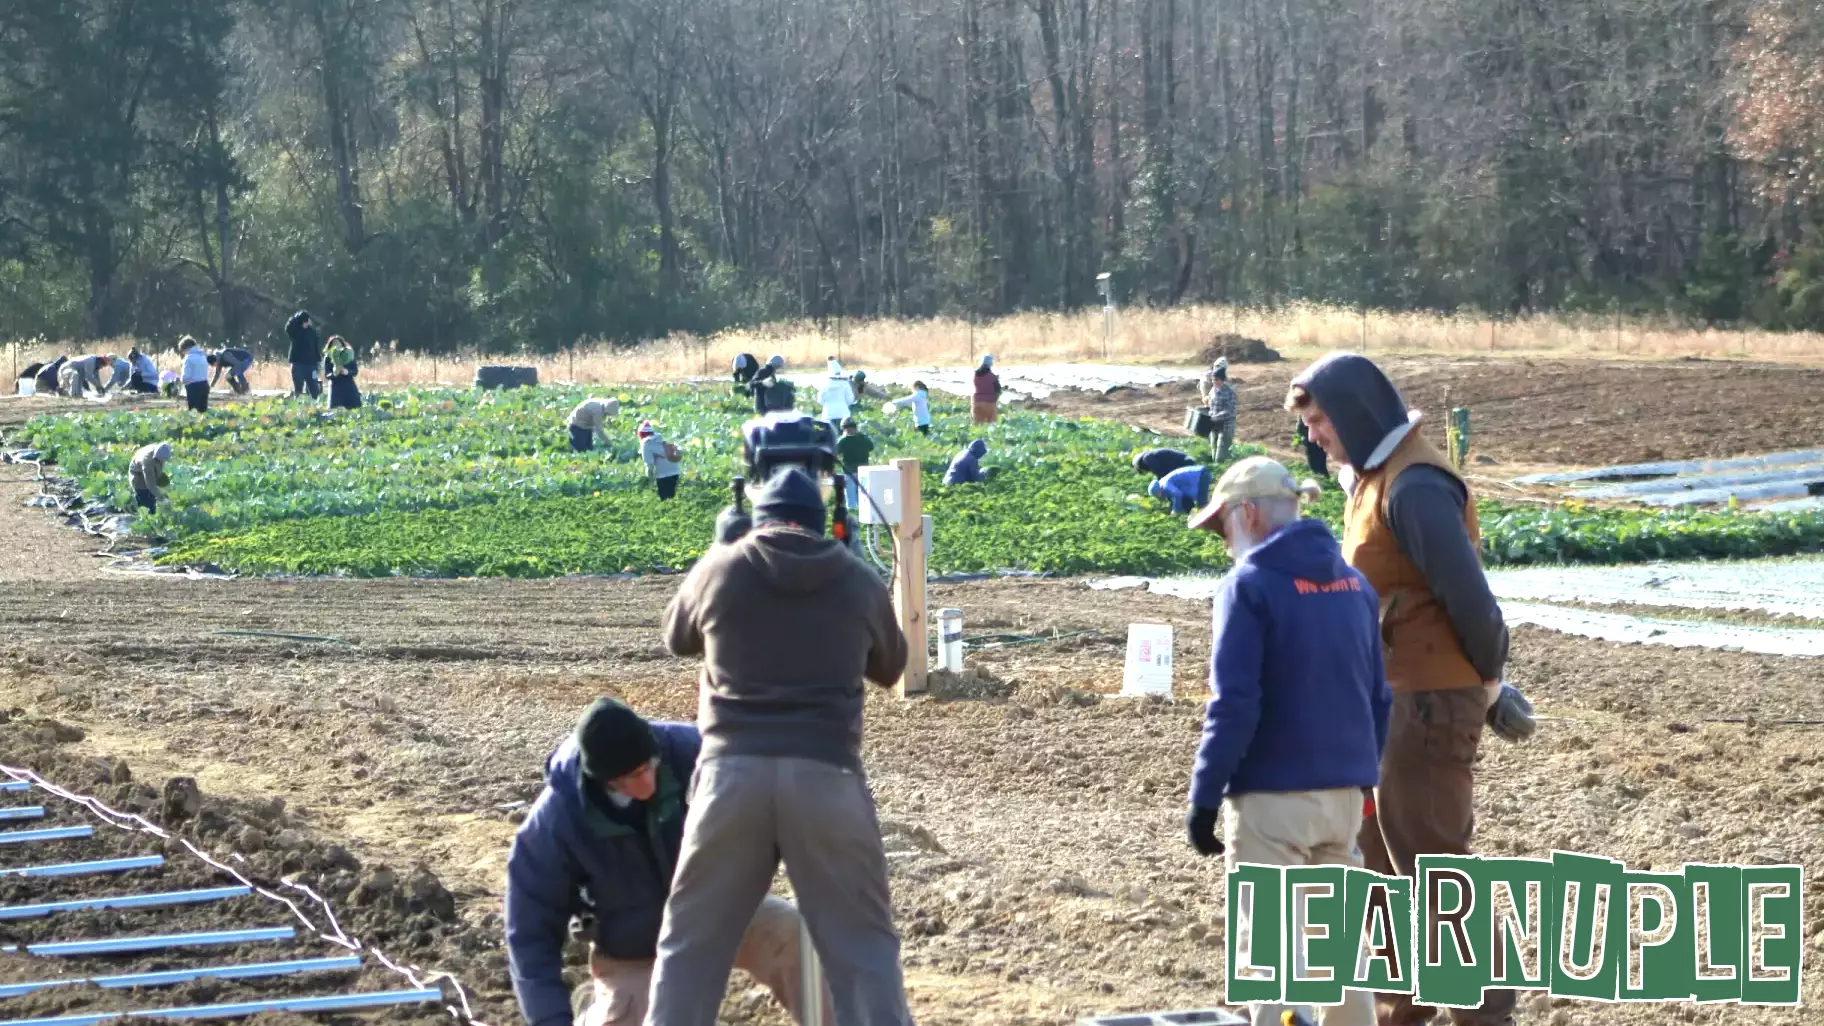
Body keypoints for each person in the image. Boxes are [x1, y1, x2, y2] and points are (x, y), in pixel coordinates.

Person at [1286, 352, 1522, 1026]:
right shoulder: (1374, 479)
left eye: (1321, 420)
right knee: (1380, 857)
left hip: (1426, 703)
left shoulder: (1415, 486)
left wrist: (1489, 682)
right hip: (1391, 699)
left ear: (1357, 414)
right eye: (1309, 423)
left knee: (1433, 866)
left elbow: (1472, 601)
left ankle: (1487, 1013)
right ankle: (1407, 1001)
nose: (1313, 436)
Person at [652, 466, 913, 1026]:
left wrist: (719, 547)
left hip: (731, 777)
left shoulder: (724, 569)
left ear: (758, 518)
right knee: (864, 949)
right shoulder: (854, 578)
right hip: (826, 777)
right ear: (824, 524)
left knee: (691, 946)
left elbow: (677, 636)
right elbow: (893, 667)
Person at [1181, 456, 1387, 1026]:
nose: (1225, 542)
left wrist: (1204, 796)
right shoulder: (1355, 583)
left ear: (1248, 515)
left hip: (1272, 799)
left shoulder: (1247, 586)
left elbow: (1235, 703)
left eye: (1224, 527)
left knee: (1274, 959)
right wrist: (1364, 778)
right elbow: (1379, 698)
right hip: (1345, 795)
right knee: (1341, 954)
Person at [505, 698, 831, 1026]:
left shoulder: (689, 751)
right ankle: (595, 1010)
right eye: (632, 776)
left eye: (649, 766)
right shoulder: (556, 824)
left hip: (717, 911)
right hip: (635, 950)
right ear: (603, 781)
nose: (648, 783)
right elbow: (530, 935)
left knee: (794, 936)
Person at [1201, 357, 1237, 464]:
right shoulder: (1213, 390)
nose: (1214, 382)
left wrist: (1215, 417)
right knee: (1213, 453)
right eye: (1212, 380)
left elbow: (1230, 411)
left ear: (1222, 380)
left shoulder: (1229, 393)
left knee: (1220, 457)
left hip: (1225, 427)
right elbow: (1211, 406)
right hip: (1214, 426)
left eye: (1216, 380)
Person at [835, 418, 875, 510]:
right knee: (864, 497)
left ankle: (854, 519)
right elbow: (871, 447)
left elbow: (835, 452)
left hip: (850, 472)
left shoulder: (843, 440)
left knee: (851, 500)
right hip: (864, 471)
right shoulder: (863, 438)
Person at [638, 421, 682, 501]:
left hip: (663, 474)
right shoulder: (660, 439)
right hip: (675, 470)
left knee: (664, 500)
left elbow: (649, 465)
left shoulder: (646, 443)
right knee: (671, 497)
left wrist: (650, 480)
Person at [285, 310, 324, 399]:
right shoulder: (295, 331)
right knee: (298, 388)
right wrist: (296, 317)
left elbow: (315, 347)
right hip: (298, 364)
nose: (306, 324)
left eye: (307, 321)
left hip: (311, 364)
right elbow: (288, 327)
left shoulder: (312, 332)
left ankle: (314, 406)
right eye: (304, 322)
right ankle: (297, 405)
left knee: (314, 388)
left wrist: (318, 362)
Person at [128, 442, 173, 514]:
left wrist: (164, 489)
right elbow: (150, 484)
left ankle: (152, 511)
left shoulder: (160, 450)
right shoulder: (147, 461)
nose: (163, 462)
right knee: (145, 499)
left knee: (153, 496)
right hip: (137, 474)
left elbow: (159, 470)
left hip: (148, 467)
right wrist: (162, 498)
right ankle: (145, 517)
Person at [324, 336, 362, 410]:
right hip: (336, 387)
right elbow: (327, 374)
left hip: (349, 386)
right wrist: (334, 373)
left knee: (353, 408)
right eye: (334, 344)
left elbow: (355, 371)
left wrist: (346, 372)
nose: (336, 346)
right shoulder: (328, 358)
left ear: (342, 344)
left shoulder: (349, 355)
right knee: (335, 410)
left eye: (338, 343)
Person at [819, 362, 854, 436]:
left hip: (828, 415)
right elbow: (850, 399)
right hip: (843, 414)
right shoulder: (845, 384)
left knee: (830, 438)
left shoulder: (825, 384)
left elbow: (820, 400)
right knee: (843, 436)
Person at [180, 338, 212, 412]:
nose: (184, 353)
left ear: (187, 348)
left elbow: (186, 377)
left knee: (194, 412)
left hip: (193, 388)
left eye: (183, 351)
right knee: (203, 411)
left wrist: (180, 380)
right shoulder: (203, 356)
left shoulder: (188, 359)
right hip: (205, 385)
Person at [1132, 447, 1197, 481]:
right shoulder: (1150, 455)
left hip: (1185, 464)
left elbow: (1159, 471)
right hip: (1185, 463)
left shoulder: (1147, 457)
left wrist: (1159, 483)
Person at [972, 354, 1001, 425]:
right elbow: (998, 390)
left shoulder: (975, 375)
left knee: (978, 427)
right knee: (991, 426)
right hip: (990, 403)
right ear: (990, 364)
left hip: (977, 403)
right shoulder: (992, 377)